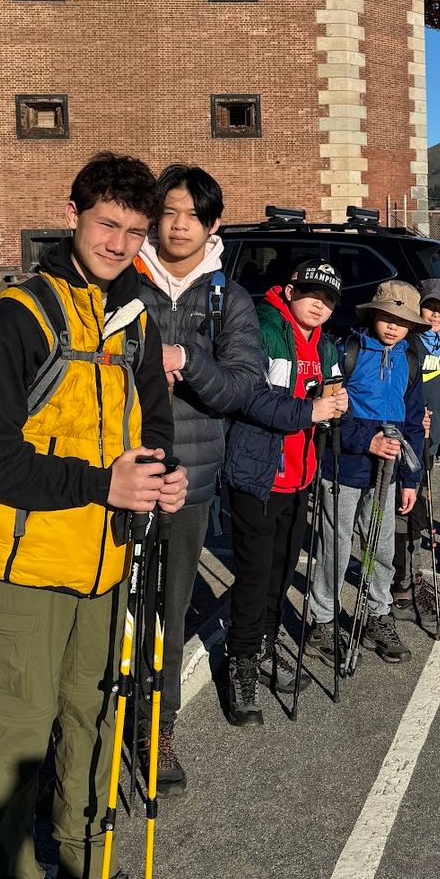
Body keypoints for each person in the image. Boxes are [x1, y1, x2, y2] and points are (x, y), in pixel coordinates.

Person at [0, 153, 186, 879]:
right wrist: (103, 484)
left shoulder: (136, 318)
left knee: (96, 720)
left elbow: (153, 424)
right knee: (14, 743)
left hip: (105, 564)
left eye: (136, 233)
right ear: (73, 214)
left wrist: (158, 478)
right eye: (108, 227)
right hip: (22, 567)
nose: (120, 244)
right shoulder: (17, 317)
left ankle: (86, 874)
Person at [132, 164, 261, 790]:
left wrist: (186, 361)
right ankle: (92, 727)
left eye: (192, 215)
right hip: (117, 469)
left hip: (191, 477)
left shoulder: (228, 297)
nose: (178, 225)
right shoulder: (124, 279)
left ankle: (159, 731)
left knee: (171, 610)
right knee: (102, 607)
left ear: (212, 224)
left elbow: (241, 386)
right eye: (169, 212)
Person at [221, 261, 348, 722]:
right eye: (313, 293)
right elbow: (248, 397)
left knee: (280, 573)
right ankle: (241, 665)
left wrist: (338, 406)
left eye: (330, 299)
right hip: (259, 475)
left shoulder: (326, 344)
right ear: (290, 290)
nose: (320, 303)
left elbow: (330, 396)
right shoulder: (264, 329)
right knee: (254, 578)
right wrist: (311, 411)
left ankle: (268, 646)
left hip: (300, 476)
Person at [306, 280, 426, 666]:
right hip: (344, 465)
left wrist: (411, 479)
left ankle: (378, 613)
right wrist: (367, 440)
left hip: (387, 471)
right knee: (335, 547)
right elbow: (332, 412)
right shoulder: (347, 351)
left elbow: (411, 424)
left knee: (381, 545)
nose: (392, 326)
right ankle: (322, 621)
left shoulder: (410, 360)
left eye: (402, 320)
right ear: (372, 314)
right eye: (386, 317)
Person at [390, 278, 440, 627]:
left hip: (432, 443)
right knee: (404, 512)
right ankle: (404, 584)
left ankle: (410, 577)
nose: (436, 314)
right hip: (408, 438)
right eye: (430, 306)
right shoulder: (408, 344)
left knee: (417, 513)